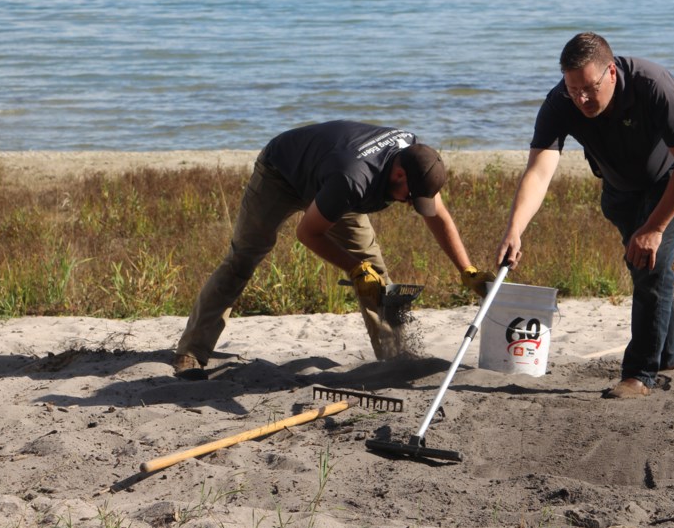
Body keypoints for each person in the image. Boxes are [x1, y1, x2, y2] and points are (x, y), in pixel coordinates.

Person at [497, 32, 674, 398]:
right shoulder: (560, 102)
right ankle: (670, 349)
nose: (582, 98)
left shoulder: (652, 84)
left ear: (612, 73)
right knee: (643, 262)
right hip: (621, 185)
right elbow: (539, 171)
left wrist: (655, 226)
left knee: (650, 259)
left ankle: (639, 374)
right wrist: (515, 228)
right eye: (574, 89)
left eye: (589, 88)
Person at [173, 119, 495, 379]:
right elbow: (308, 233)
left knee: (375, 272)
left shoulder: (415, 162)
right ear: (398, 174)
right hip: (281, 175)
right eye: (410, 196)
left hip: (332, 180)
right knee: (243, 257)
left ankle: (393, 360)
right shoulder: (353, 179)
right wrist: (353, 269)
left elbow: (438, 215)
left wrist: (465, 269)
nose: (411, 204)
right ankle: (191, 352)